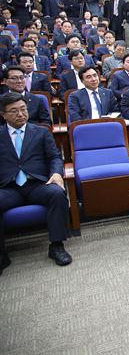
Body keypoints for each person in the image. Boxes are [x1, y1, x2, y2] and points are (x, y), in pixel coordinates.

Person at [0, 93, 72, 271]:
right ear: (3, 114)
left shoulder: (40, 132)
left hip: (37, 184)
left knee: (57, 193)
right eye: (14, 111)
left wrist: (56, 173)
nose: (20, 114)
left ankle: (56, 245)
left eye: (23, 109)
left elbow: (54, 157)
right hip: (8, 188)